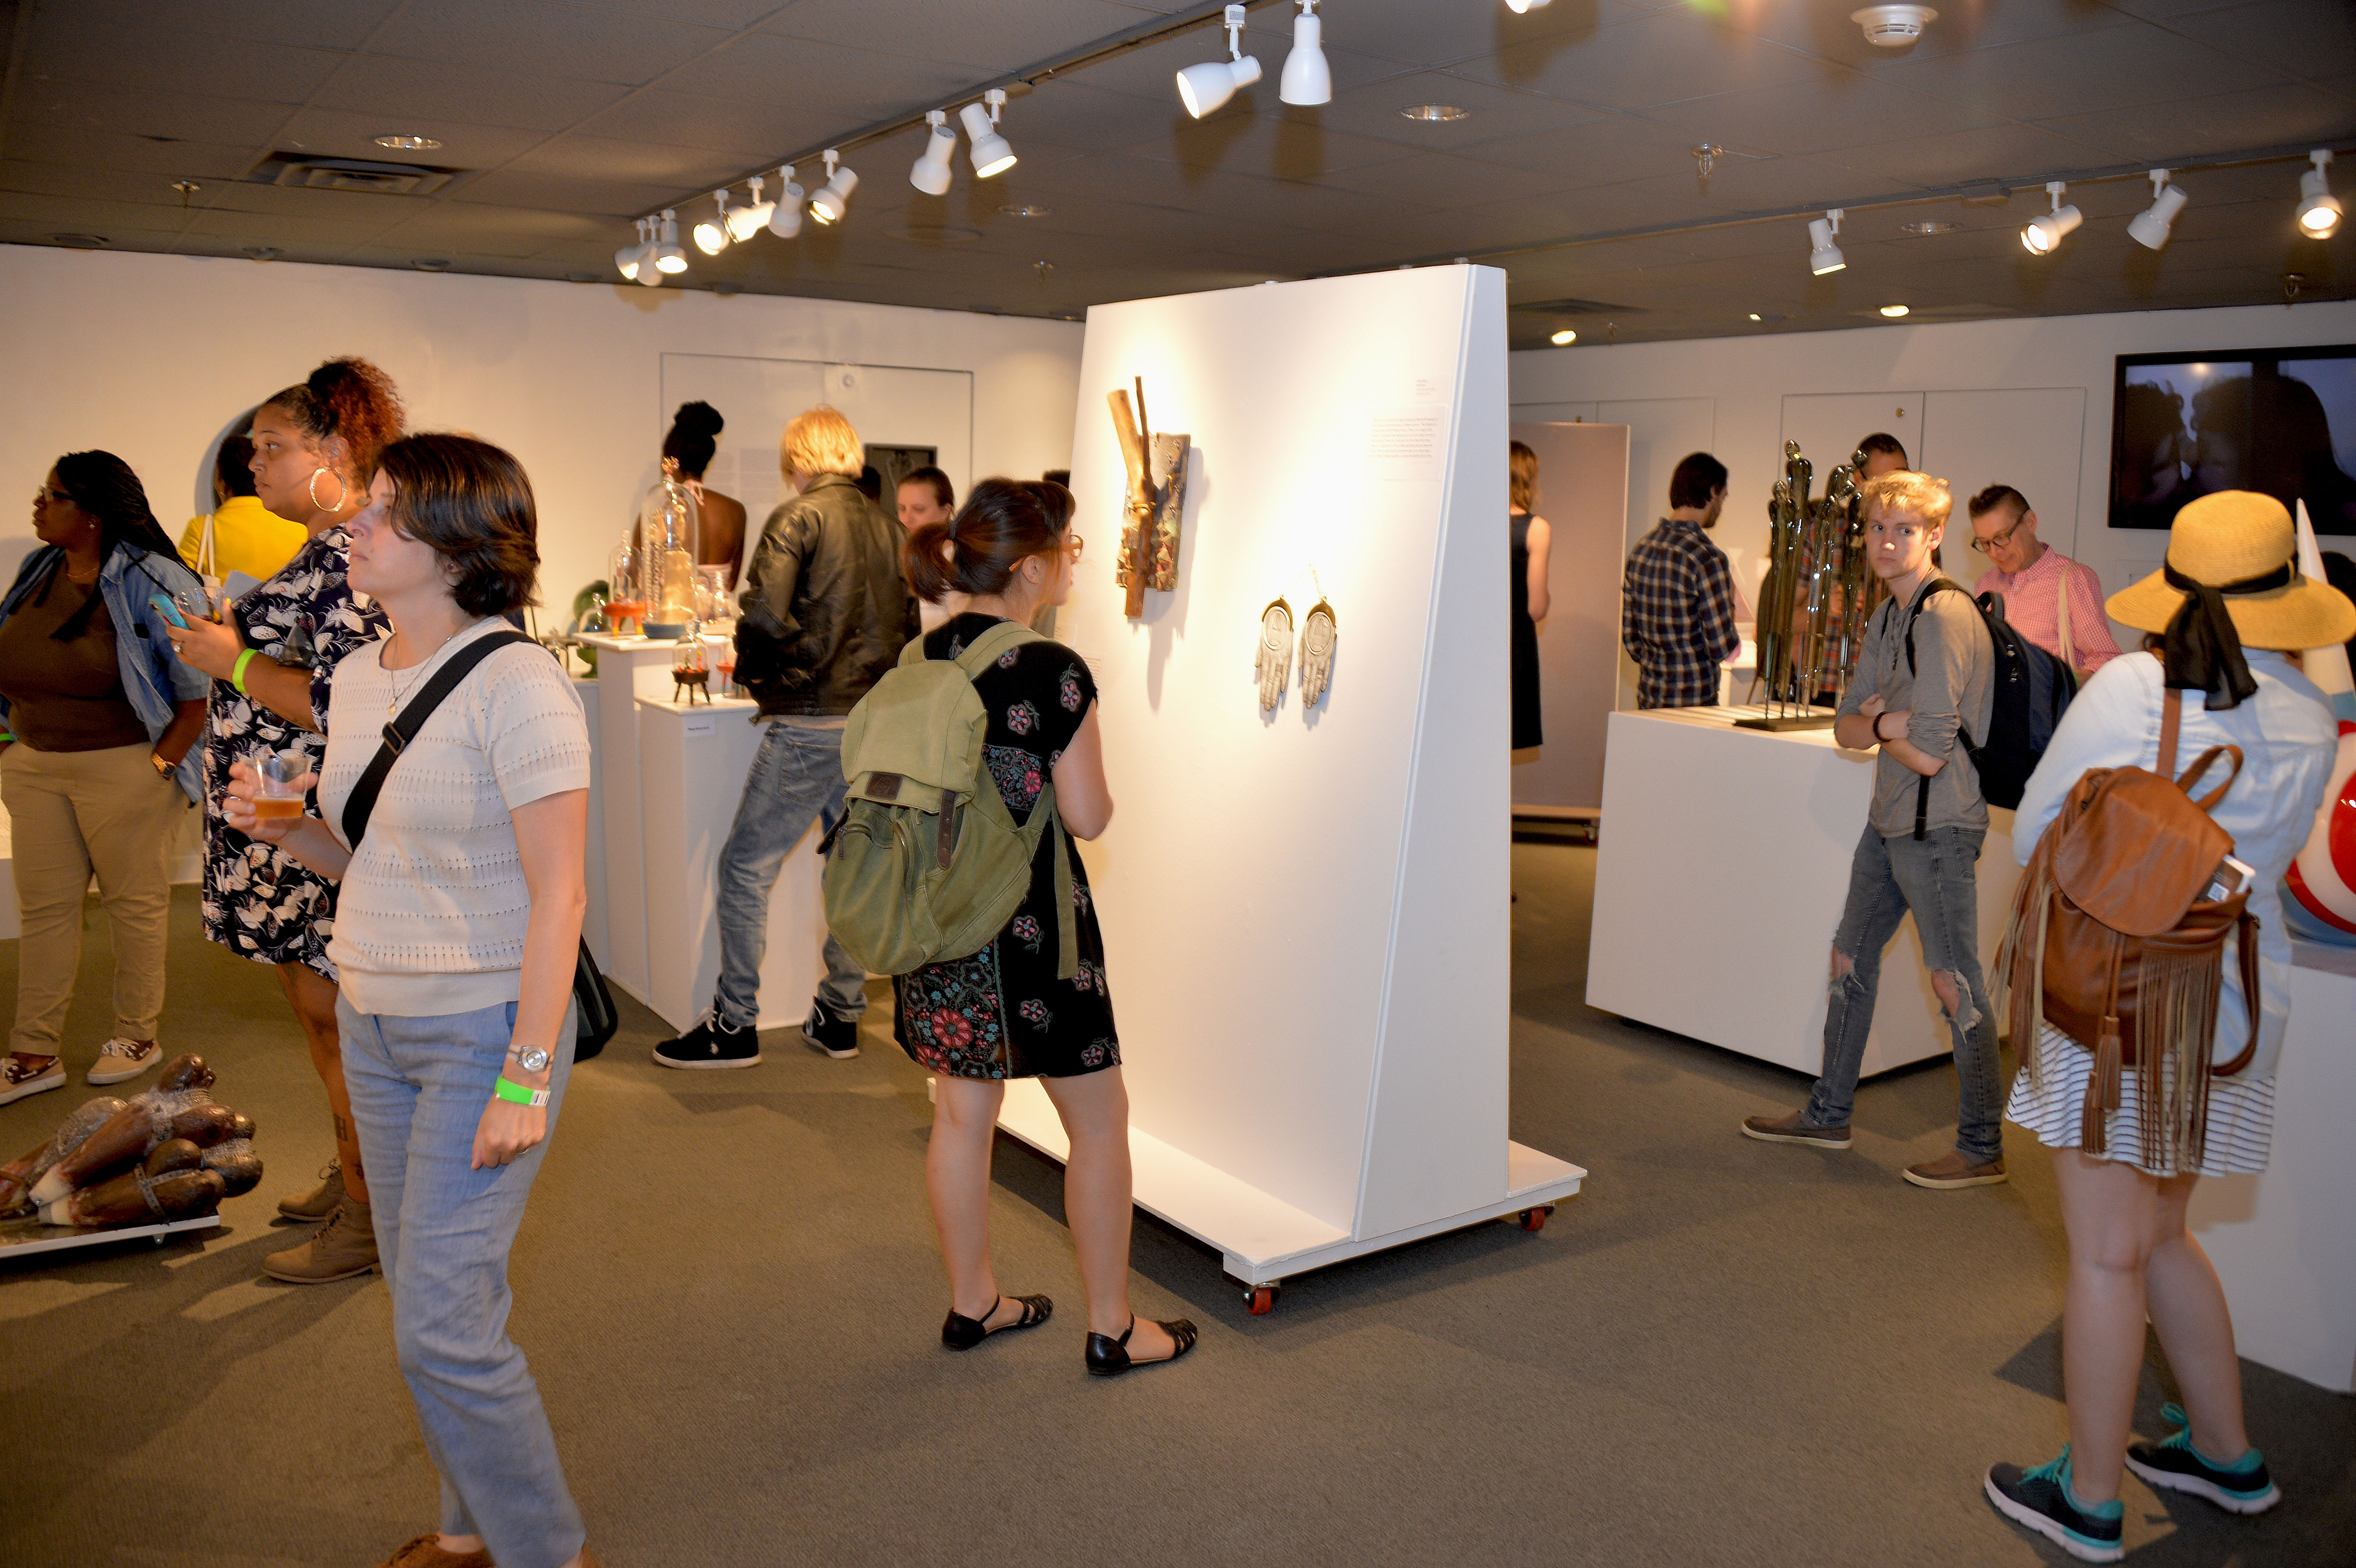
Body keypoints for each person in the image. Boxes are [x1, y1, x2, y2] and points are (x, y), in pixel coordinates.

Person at [224, 434, 598, 1568]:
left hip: (484, 1031)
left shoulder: (522, 683)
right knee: (445, 1306)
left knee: (437, 1322)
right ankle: (465, 1531)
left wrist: (527, 1073)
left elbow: (561, 893)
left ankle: (545, 1550)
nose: (355, 528)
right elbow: (375, 863)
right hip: (373, 1019)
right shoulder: (355, 674)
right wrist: (296, 832)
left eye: (383, 514)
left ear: (452, 542)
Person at [1984, 490, 2347, 1562]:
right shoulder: (2310, 712)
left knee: (2104, 1255)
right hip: (2235, 1004)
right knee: (2162, 1231)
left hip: (2121, 1007)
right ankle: (2225, 1451)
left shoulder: (2135, 689)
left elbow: (2035, 833)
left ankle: (2089, 1498)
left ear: (2176, 587)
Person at [900, 478, 1198, 1376]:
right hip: (1034, 934)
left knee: (961, 1116)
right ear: (1030, 568)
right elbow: (1089, 815)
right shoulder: (1050, 669)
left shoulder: (922, 657)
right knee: (1099, 1123)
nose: (1074, 563)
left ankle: (973, 1303)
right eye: (1068, 549)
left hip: (941, 923)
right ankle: (1113, 1326)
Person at [163, 357, 400, 1283]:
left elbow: (354, 700)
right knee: (323, 1023)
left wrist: (230, 659)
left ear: (335, 449)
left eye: (274, 444)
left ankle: (371, 1208)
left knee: (341, 1026)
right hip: (286, 828)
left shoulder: (352, 554)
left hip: (314, 832)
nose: (252, 460)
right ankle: (360, 1177)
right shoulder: (331, 547)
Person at [1742, 471, 2006, 1189]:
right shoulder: (1889, 615)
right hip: (1887, 822)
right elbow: (1843, 726)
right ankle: (1830, 1112)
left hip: (1942, 826)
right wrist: (1885, 721)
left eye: (1904, 531)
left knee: (1955, 987)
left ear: (1935, 536)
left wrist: (1882, 721)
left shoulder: (1947, 617)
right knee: (1846, 964)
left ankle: (1982, 1146)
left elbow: (1925, 749)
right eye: (1877, 529)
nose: (1886, 543)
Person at [654, 407, 915, 1069]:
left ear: (799, 461)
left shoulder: (796, 518)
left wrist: (768, 679)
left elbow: (764, 615)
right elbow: (908, 627)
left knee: (745, 868)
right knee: (854, 867)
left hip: (807, 723)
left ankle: (735, 1024)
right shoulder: (889, 528)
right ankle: (840, 1015)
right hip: (872, 728)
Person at [0, 454, 208, 1104]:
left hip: (127, 766)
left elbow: (198, 690)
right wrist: (7, 745)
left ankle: (136, 1034)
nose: (38, 505)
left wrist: (161, 767)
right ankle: (35, 1050)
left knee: (134, 904)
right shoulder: (40, 569)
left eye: (51, 496)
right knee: (46, 911)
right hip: (34, 764)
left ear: (90, 513)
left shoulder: (154, 578)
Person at [1966, 485, 2123, 681]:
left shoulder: (2072, 579)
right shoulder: (1987, 583)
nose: (1995, 552)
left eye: (2002, 538)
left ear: (2031, 523)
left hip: (2050, 709)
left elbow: (2107, 659)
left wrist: (2059, 685)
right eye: (1985, 543)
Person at [1622, 451, 1739, 709]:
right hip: (1694, 706)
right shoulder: (1707, 558)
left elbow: (1632, 641)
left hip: (1649, 701)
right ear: (1712, 492)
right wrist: (1728, 602)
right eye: (1723, 497)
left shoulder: (1640, 551)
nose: (1721, 506)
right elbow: (1722, 648)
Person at [179, 422, 306, 588]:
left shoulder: (202, 528)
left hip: (225, 613)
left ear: (222, 482)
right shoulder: (299, 527)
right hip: (284, 612)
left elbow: (180, 586)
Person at [660, 400, 748, 573]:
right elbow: (730, 584)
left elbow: (640, 582)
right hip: (718, 600)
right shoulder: (736, 512)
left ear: (672, 460)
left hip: (672, 601)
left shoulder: (658, 511)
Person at [1508, 440, 1551, 749]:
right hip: (1513, 644)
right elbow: (1536, 608)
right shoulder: (1536, 528)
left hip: (1469, 645)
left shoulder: (1468, 522)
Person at [898, 466, 961, 632]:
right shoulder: (895, 554)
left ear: (945, 511)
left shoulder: (960, 561)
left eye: (919, 509)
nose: (906, 519)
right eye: (902, 508)